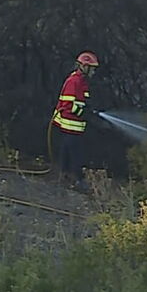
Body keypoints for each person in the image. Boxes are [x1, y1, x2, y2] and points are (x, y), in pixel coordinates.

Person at [52, 51, 99, 189]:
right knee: (76, 153)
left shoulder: (81, 81)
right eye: (92, 68)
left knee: (67, 149)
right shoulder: (74, 81)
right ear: (84, 67)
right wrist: (83, 113)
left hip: (75, 124)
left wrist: (88, 109)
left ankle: (64, 175)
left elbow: (81, 101)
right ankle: (78, 180)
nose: (94, 71)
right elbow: (67, 105)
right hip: (71, 123)